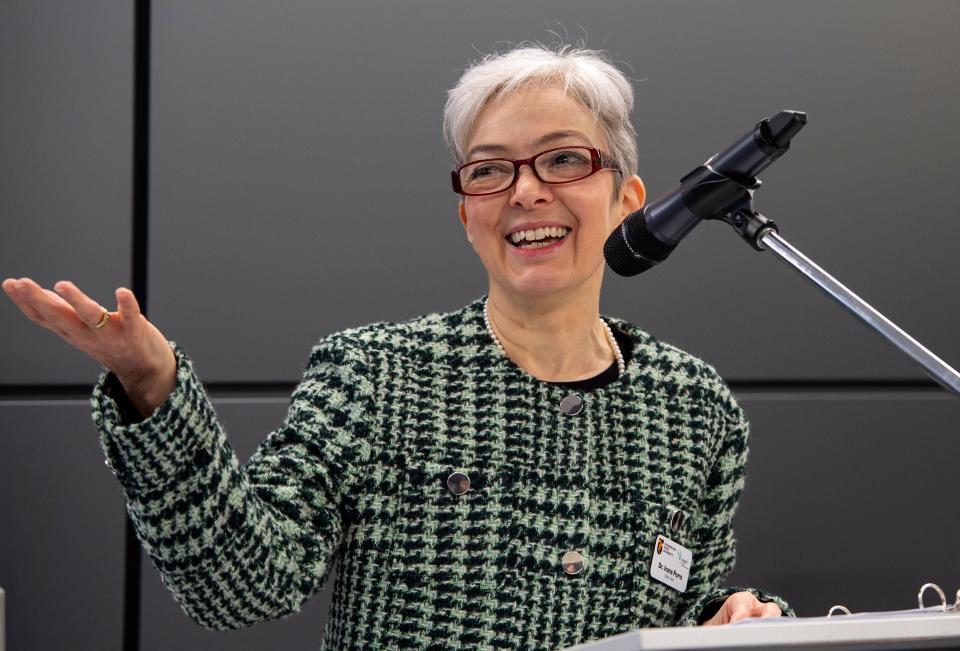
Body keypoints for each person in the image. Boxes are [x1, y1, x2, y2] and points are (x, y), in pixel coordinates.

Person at [2, 43, 791, 649]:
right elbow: (239, 584)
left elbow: (686, 612)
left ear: (626, 195)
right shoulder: (377, 374)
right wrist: (152, 383)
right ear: (467, 215)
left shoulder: (695, 407)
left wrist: (745, 617)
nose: (524, 191)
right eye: (489, 171)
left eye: (561, 159)